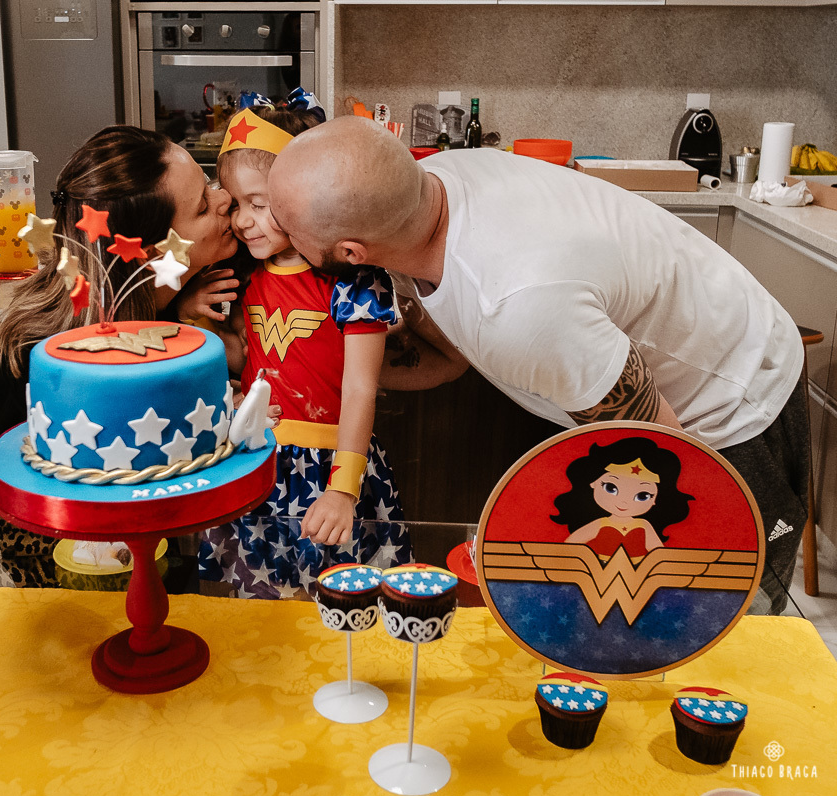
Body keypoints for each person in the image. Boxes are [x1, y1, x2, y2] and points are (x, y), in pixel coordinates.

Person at [267, 116, 809, 615]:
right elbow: (455, 354)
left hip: (733, 396)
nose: (274, 235)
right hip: (631, 362)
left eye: (288, 230)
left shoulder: (521, 307)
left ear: (352, 252)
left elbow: (657, 454)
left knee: (724, 614)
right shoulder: (431, 182)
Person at [0, 126, 238, 505]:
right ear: (149, 254)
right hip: (2, 515)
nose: (225, 197)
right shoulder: (60, 350)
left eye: (210, 181)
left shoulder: (168, 297)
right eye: (202, 205)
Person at [197, 102, 409, 599]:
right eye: (235, 205)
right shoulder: (240, 276)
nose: (245, 221)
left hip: (332, 469)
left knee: (344, 610)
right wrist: (191, 311)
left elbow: (361, 387)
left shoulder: (353, 281)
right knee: (256, 615)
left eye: (260, 202)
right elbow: (243, 358)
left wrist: (343, 488)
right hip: (253, 466)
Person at [552, 437, 694, 559]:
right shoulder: (600, 524)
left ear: (655, 499)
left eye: (642, 495)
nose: (624, 501)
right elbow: (569, 546)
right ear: (593, 483)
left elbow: (659, 555)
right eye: (611, 488)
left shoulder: (643, 526)